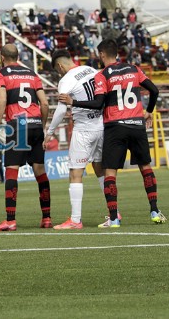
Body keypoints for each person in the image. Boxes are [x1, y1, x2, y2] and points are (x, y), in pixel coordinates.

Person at [58, 39, 165, 228]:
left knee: (110, 172)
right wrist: (149, 111)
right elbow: (154, 90)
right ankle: (155, 211)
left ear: (101, 54)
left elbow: (98, 103)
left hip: (115, 126)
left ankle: (114, 218)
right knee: (146, 167)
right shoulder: (134, 69)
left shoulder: (102, 75)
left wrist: (73, 102)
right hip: (136, 124)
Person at [0, 43, 51, 232]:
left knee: (11, 171)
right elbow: (45, 103)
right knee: (40, 171)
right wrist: (42, 127)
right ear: (17, 56)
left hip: (18, 125)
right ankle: (47, 218)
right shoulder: (32, 74)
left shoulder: (0, 73)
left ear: (2, 57)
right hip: (35, 125)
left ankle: (10, 220)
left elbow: (2, 99)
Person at [45, 50, 106, 230]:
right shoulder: (91, 70)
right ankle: (113, 212)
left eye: (57, 71)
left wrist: (49, 132)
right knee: (100, 169)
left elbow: (62, 110)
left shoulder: (66, 80)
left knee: (75, 173)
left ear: (60, 66)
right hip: (101, 125)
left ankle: (75, 219)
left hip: (84, 129)